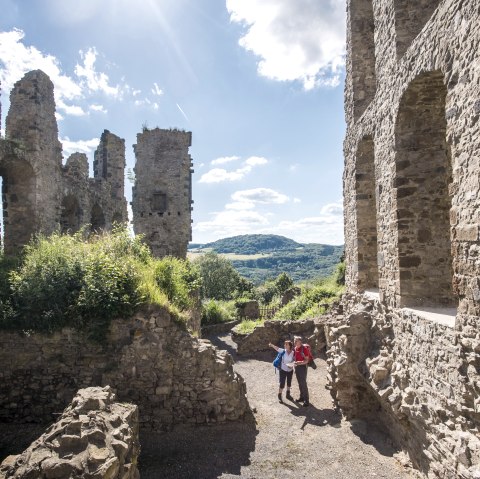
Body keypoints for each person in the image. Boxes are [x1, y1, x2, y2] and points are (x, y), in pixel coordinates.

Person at [293, 335, 313, 407]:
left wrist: (299, 363)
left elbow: (306, 360)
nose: (294, 341)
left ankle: (306, 400)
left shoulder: (304, 349)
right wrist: (294, 365)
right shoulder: (295, 348)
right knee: (299, 383)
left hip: (302, 367)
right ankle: (301, 397)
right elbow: (295, 358)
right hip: (297, 367)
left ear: (300, 342)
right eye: (294, 340)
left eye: (296, 340)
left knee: (303, 383)